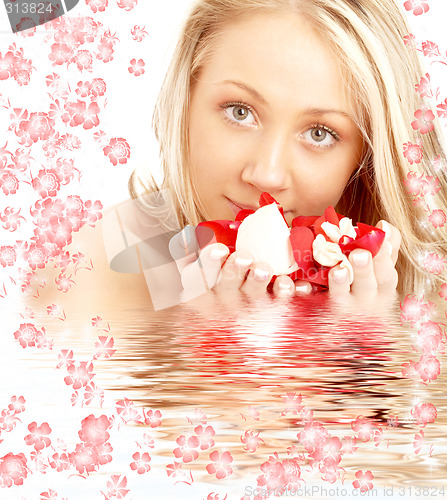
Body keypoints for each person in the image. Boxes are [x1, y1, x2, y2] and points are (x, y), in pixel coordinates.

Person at [112, 0, 447, 307]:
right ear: (186, 98)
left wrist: (351, 361)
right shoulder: (95, 271)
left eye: (319, 133)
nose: (266, 175)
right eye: (239, 111)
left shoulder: (426, 313)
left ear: (368, 160)